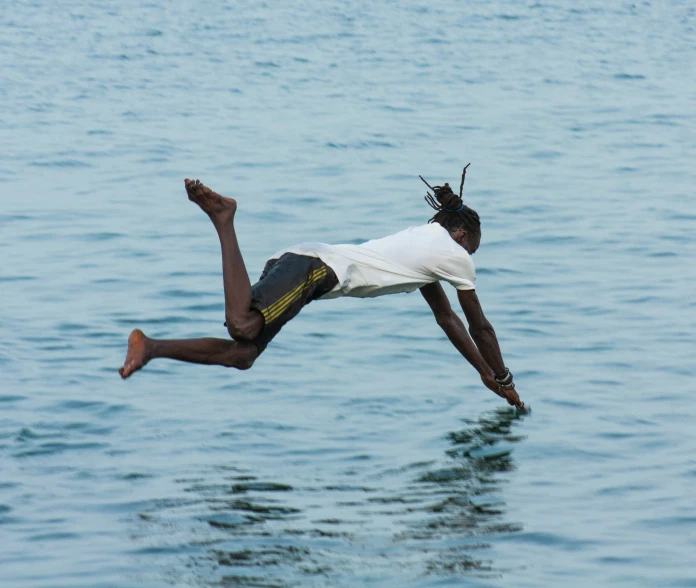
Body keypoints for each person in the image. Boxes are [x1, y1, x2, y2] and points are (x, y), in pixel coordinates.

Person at [119, 169, 525, 409]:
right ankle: (223, 218)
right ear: (461, 233)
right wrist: (504, 377)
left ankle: (150, 347)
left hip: (301, 265)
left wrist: (484, 375)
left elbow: (446, 318)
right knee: (242, 327)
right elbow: (480, 327)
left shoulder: (423, 244)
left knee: (242, 355)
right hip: (314, 269)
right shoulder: (452, 253)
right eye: (472, 247)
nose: (470, 257)